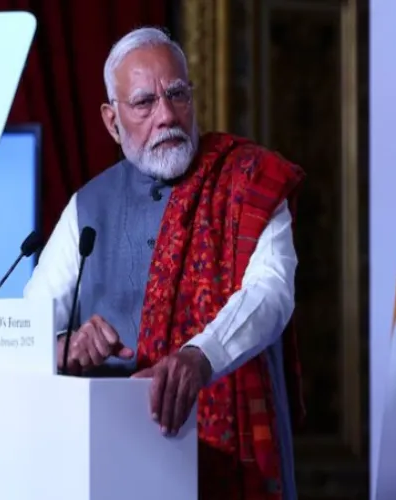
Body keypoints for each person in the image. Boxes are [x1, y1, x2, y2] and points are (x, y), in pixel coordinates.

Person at [24, 26, 304, 500]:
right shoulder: (88, 207)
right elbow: (26, 327)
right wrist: (63, 347)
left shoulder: (249, 180)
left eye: (177, 94)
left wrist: (201, 357)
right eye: (144, 103)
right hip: (113, 462)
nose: (167, 116)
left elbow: (271, 291)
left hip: (232, 458)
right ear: (112, 122)